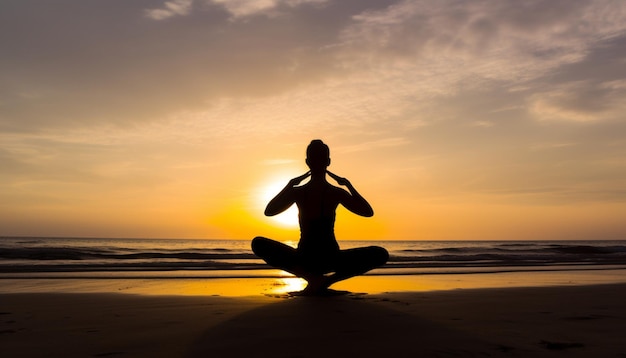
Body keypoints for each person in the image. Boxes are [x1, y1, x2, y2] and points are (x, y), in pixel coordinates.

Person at [252, 139, 388, 294]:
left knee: (258, 243)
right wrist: (349, 185)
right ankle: (323, 281)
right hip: (330, 258)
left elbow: (269, 211)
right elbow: (367, 212)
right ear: (328, 162)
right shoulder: (335, 192)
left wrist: (288, 186)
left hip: (306, 259)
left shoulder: (299, 192)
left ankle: (316, 280)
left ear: (307, 162)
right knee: (380, 254)